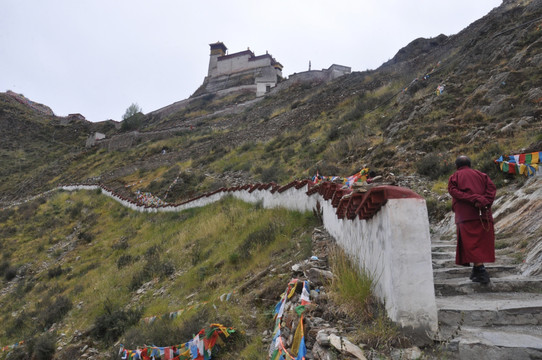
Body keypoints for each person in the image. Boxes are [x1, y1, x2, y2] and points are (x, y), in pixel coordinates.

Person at [448, 155, 496, 284]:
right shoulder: (483, 175)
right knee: (480, 242)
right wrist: (483, 201)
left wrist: (473, 199)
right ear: (470, 164)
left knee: (471, 244)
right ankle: (476, 271)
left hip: (466, 216)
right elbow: (492, 190)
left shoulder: (454, 177)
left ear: (456, 166)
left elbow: (453, 192)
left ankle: (481, 271)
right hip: (483, 214)